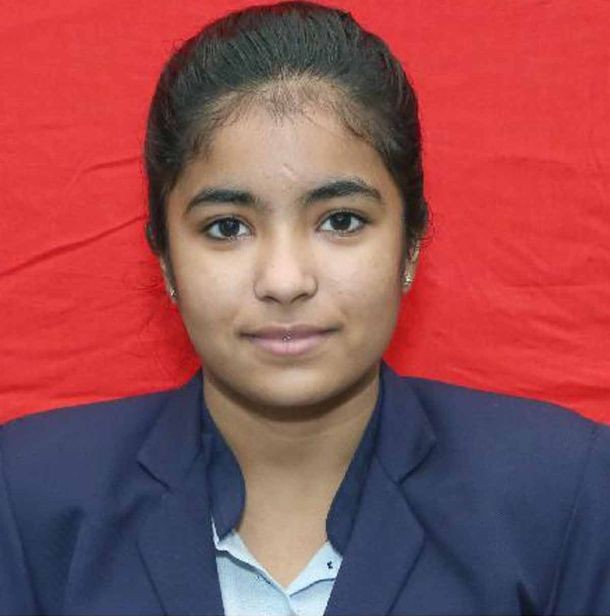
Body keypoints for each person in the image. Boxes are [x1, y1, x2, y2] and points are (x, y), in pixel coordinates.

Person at [1, 2, 610, 614]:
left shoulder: (565, 494)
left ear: (410, 245)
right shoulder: (27, 496)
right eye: (227, 227)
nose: (285, 281)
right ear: (164, 258)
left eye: (341, 221)